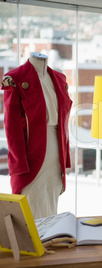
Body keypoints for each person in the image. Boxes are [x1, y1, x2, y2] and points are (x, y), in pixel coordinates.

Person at [1, 52, 72, 219]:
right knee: (31, 212)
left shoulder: (59, 78)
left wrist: (65, 159)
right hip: (31, 156)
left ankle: (48, 244)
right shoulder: (15, 78)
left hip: (56, 155)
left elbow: (63, 123)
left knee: (50, 212)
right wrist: (19, 166)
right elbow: (12, 128)